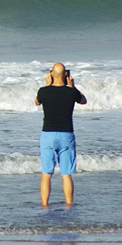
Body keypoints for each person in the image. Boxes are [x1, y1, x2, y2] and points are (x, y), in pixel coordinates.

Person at [34, 63, 87, 206]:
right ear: (66, 75)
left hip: (48, 135)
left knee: (46, 174)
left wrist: (47, 85)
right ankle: (69, 204)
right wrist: (73, 86)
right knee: (66, 174)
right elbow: (83, 100)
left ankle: (45, 205)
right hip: (66, 135)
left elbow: (37, 102)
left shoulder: (43, 91)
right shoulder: (71, 92)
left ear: (51, 74)